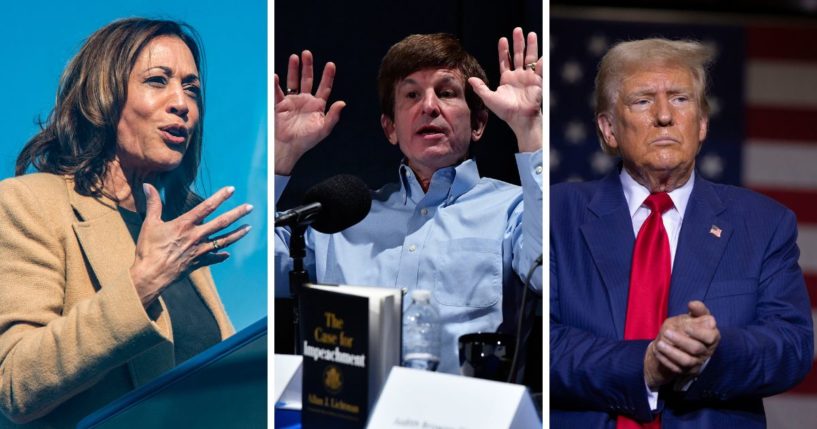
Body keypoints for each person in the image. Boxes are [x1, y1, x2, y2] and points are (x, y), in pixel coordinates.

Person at [0, 18, 252, 427]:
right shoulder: (29, 203)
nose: (182, 104)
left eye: (192, 88)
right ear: (103, 96)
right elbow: (15, 383)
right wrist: (142, 284)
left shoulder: (174, 229)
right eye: (158, 80)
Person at [550, 38, 814, 428]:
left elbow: (791, 347)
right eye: (642, 100)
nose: (663, 116)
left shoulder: (763, 223)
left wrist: (712, 355)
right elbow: (541, 343)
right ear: (608, 129)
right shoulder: (557, 214)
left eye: (680, 99)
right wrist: (645, 366)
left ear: (702, 123)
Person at [274, 28, 543, 375]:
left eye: (446, 93)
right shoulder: (337, 219)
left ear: (478, 122)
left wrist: (529, 130)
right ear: (390, 128)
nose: (429, 106)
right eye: (412, 95)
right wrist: (282, 154)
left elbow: (545, 278)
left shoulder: (515, 208)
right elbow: (250, 268)